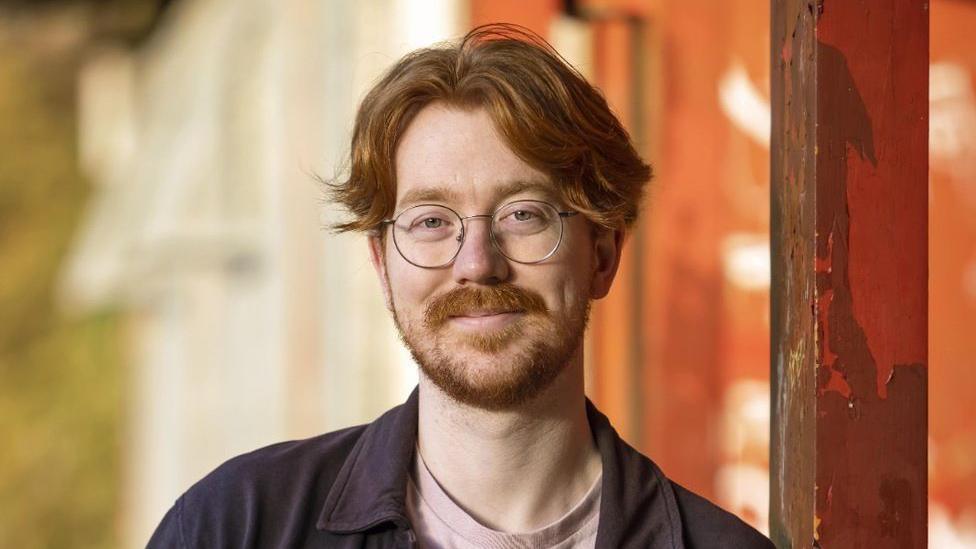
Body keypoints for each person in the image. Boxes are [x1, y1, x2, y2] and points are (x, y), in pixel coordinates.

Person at [148, 24, 774, 548]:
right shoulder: (236, 526)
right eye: (430, 222)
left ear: (603, 253)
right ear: (382, 264)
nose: (477, 262)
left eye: (523, 215)